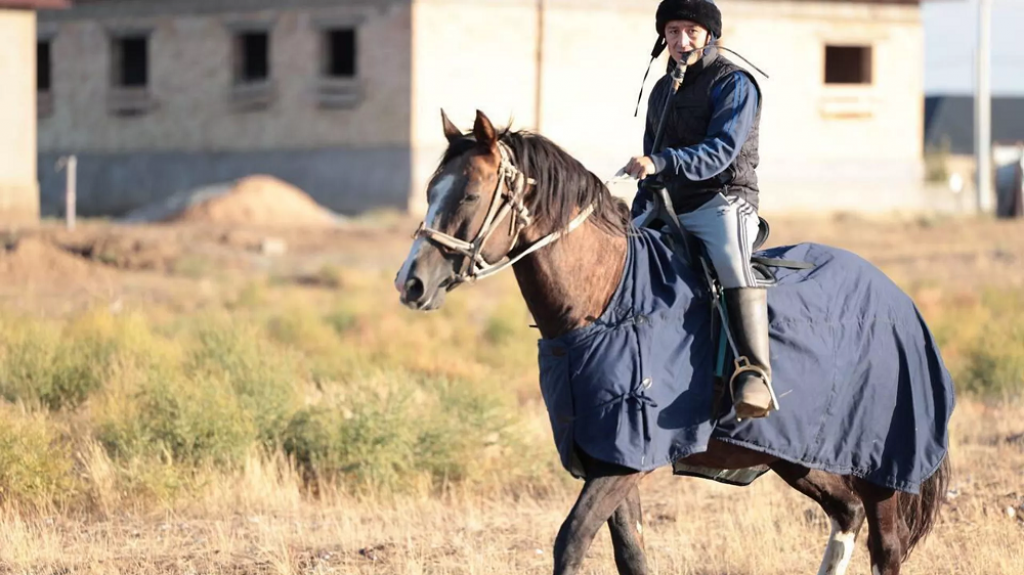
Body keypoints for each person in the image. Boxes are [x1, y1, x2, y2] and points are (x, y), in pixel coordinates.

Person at [621, 0, 775, 419]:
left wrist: (664, 161)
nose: (681, 41)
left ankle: (754, 375)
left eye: (690, 31)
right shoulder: (660, 90)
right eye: (672, 31)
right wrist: (638, 210)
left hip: (724, 200)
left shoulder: (734, 84)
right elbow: (651, 162)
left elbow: (721, 152)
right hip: (668, 204)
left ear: (710, 35)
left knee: (729, 263)